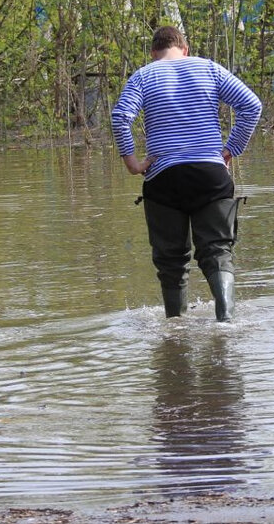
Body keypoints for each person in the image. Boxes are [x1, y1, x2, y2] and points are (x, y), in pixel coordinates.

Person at [111, 26, 262, 321]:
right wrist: (231, 149)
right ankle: (226, 321)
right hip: (209, 173)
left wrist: (132, 162)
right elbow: (251, 105)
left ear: (154, 53)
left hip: (163, 177)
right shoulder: (208, 68)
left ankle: (175, 330)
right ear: (185, 49)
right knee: (217, 251)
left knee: (171, 262)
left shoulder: (144, 75)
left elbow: (120, 117)